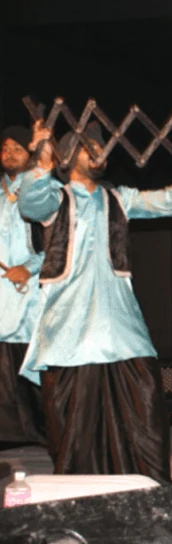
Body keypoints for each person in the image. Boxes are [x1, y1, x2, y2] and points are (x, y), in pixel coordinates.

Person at [19, 121, 172, 483]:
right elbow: (30, 203)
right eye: (90, 147)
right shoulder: (56, 199)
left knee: (144, 405)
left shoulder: (119, 199)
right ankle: (80, 490)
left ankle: (148, 487)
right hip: (70, 332)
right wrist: (41, 164)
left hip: (120, 327)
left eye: (102, 148)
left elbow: (168, 201)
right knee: (74, 422)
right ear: (68, 157)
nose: (99, 153)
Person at [0, 124, 47, 447]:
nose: (9, 153)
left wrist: (29, 268)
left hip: (30, 297)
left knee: (35, 373)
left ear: (29, 154)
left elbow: (60, 241)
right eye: (5, 148)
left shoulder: (40, 192)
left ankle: (46, 435)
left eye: (17, 148)